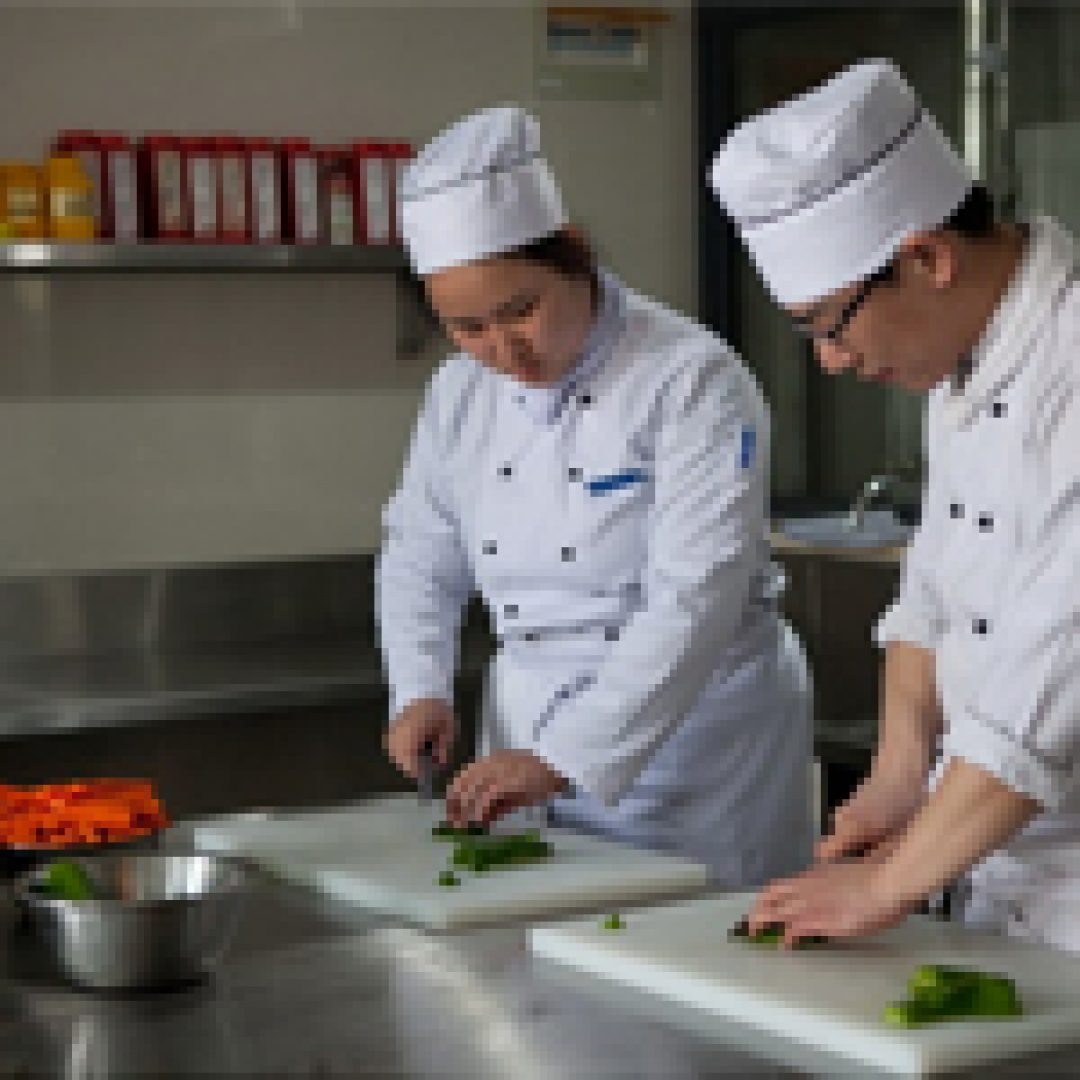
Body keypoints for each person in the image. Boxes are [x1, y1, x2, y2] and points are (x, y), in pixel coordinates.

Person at [377, 105, 812, 884]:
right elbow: (420, 549)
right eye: (467, 327)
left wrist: (567, 755)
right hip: (525, 730)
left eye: (520, 311)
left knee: (694, 962)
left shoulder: (691, 377)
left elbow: (694, 596)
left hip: (693, 745)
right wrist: (419, 687)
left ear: (573, 256)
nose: (504, 350)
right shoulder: (457, 393)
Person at [709, 58, 1080, 950]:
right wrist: (896, 775)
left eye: (829, 324)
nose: (831, 361)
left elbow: (1046, 681)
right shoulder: (966, 360)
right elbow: (931, 600)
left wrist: (885, 885)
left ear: (926, 259)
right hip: (996, 868)